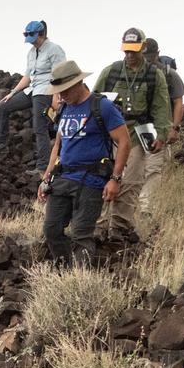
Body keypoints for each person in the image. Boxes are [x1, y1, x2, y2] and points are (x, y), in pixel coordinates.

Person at [37, 61, 132, 267]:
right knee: (51, 229)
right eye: (58, 92)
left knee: (81, 233)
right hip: (63, 178)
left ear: (78, 83)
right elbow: (58, 146)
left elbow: (124, 141)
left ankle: (81, 281)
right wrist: (46, 177)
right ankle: (65, 271)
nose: (61, 96)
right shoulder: (64, 109)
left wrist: (115, 179)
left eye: (65, 91)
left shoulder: (102, 107)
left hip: (91, 181)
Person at [92, 28, 173, 242]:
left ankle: (119, 226)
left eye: (134, 51)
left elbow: (161, 107)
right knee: (102, 177)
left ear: (143, 48)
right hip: (110, 133)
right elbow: (94, 100)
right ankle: (98, 226)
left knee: (133, 180)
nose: (129, 55)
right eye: (126, 51)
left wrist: (162, 134)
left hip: (137, 132)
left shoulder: (154, 76)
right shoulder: (111, 72)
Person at [0, 20, 66, 173]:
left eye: (34, 39)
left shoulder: (55, 49)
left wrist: (56, 96)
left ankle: (42, 167)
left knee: (39, 127)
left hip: (46, 90)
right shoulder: (32, 52)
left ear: (42, 34)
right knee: (3, 106)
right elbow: (27, 76)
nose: (32, 43)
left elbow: (59, 74)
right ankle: (0, 143)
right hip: (32, 89)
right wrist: (12, 93)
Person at [139, 37, 184, 217]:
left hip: (159, 127)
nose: (147, 60)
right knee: (137, 167)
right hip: (138, 127)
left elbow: (178, 102)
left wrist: (174, 128)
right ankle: (138, 205)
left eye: (150, 56)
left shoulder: (170, 75)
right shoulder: (133, 74)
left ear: (157, 54)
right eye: (144, 56)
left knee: (153, 168)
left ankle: (146, 209)